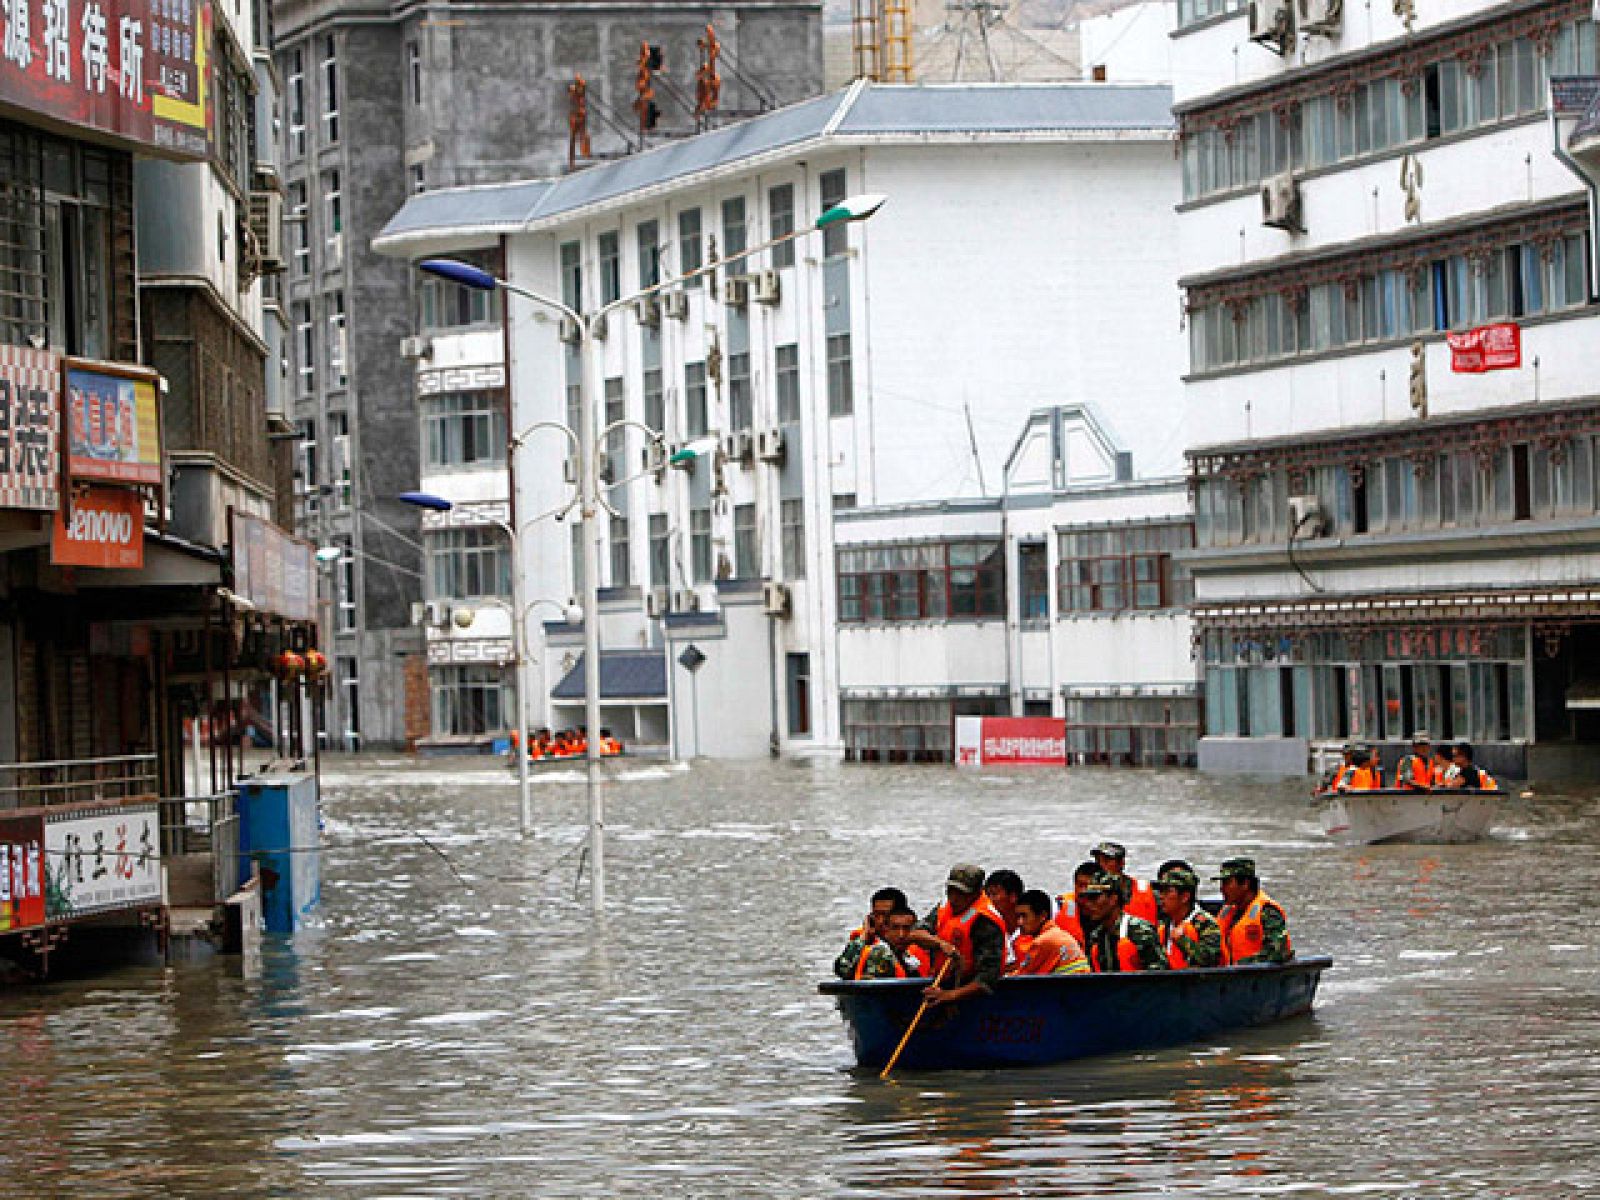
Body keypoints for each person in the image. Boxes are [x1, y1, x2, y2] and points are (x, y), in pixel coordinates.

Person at [909, 864, 1008, 1008]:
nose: (954, 898)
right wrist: (940, 944)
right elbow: (915, 933)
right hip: (942, 981)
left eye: (961, 893)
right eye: (951, 891)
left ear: (977, 892)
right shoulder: (944, 907)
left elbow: (987, 979)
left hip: (971, 995)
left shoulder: (985, 921)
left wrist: (949, 996)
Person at [1079, 870, 1166, 973]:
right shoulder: (1096, 937)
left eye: (1094, 898)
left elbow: (1160, 974)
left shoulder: (1140, 930)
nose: (1088, 904)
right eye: (1088, 898)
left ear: (1113, 899)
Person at [1214, 857, 1294, 965]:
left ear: (1245, 884)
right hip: (1228, 973)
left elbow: (1279, 952)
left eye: (1226, 883)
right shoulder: (1228, 912)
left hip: (1255, 973)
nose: (1221, 889)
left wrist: (1241, 965)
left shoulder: (1267, 912)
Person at [1154, 867, 1225, 969]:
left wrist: (1183, 940)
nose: (1161, 896)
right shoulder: (1164, 925)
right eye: (1161, 891)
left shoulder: (1206, 924)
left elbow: (1211, 960)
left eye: (1167, 891)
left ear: (1185, 897)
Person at [833, 887, 909, 979]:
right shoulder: (863, 943)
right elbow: (841, 969)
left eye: (886, 915)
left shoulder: (917, 940)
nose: (880, 921)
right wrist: (864, 937)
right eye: (876, 915)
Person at [1008, 889, 1089, 976]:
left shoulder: (1043, 942)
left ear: (1043, 916)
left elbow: (1021, 976)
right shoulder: (1059, 934)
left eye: (1024, 916)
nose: (1019, 922)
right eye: (1018, 916)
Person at [853, 905, 931, 979]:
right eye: (895, 928)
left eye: (906, 928)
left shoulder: (905, 956)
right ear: (886, 929)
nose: (901, 935)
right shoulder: (879, 952)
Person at [1091, 841, 1158, 923]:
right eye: (1098, 861)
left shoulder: (1147, 890)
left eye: (1106, 860)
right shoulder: (1090, 892)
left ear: (1121, 863)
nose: (1101, 865)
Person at [984, 868, 1025, 962]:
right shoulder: (988, 929)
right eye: (987, 895)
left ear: (1013, 897)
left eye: (994, 894)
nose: (988, 900)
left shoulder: (1033, 928)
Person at [1055, 861, 1096, 949]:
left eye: (1088, 886)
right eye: (1080, 885)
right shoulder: (1058, 908)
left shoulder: (1111, 913)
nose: (1082, 891)